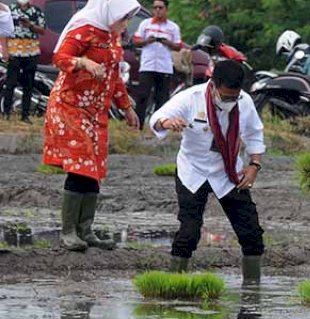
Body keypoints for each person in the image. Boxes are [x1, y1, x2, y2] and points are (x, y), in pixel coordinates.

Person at [149, 60, 266, 285]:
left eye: (234, 97)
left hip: (228, 172)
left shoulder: (245, 102)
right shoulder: (190, 98)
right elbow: (157, 118)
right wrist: (167, 122)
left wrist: (254, 166)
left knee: (251, 233)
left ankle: (252, 293)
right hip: (193, 170)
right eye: (226, 97)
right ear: (213, 86)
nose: (230, 101)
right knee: (189, 233)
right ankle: (175, 285)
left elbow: (254, 135)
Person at [42, 0, 141, 252]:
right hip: (70, 105)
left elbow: (114, 75)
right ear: (111, 12)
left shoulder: (112, 37)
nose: (125, 24)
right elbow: (60, 57)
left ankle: (85, 229)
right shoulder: (84, 29)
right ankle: (68, 232)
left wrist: (127, 107)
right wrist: (83, 62)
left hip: (96, 111)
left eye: (128, 19)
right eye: (123, 18)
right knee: (80, 164)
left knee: (94, 166)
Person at [132, 0, 182, 130]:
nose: (157, 10)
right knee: (142, 96)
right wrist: (147, 41)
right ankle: (138, 126)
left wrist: (167, 43)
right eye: (155, 8)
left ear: (166, 9)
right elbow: (136, 40)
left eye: (160, 7)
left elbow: (178, 46)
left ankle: (160, 127)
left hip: (164, 67)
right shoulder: (145, 24)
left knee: (162, 99)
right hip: (147, 66)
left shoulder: (172, 27)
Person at [2, 0, 45, 124]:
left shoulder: (36, 11)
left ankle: (25, 115)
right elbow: (3, 30)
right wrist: (5, 49)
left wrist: (30, 25)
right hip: (14, 52)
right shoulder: (10, 10)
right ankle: (6, 113)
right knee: (10, 83)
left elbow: (42, 30)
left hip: (31, 52)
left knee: (29, 85)